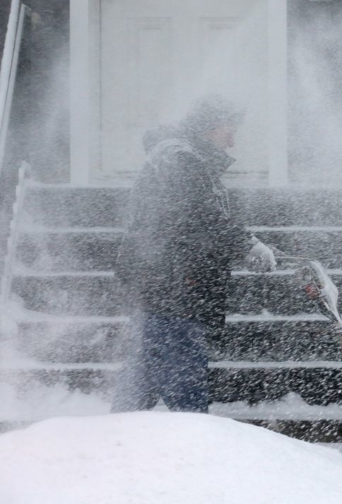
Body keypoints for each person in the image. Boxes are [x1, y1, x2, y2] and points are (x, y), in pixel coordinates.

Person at [111, 95, 278, 413]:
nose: (231, 141)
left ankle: (114, 450)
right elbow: (200, 218)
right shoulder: (181, 159)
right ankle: (194, 452)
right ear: (209, 128)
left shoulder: (180, 156)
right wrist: (247, 246)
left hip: (164, 287)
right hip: (175, 289)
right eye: (229, 130)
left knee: (141, 383)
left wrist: (247, 244)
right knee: (185, 392)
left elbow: (196, 219)